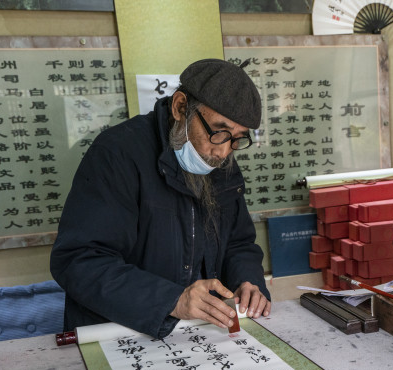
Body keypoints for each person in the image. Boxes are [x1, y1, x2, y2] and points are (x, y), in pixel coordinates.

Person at [50, 59, 271, 339]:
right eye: (218, 132)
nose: (224, 152)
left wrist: (247, 280)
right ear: (180, 107)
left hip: (192, 334)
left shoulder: (219, 162)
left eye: (238, 139)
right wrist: (173, 299)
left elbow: (238, 242)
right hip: (117, 332)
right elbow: (79, 260)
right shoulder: (118, 154)